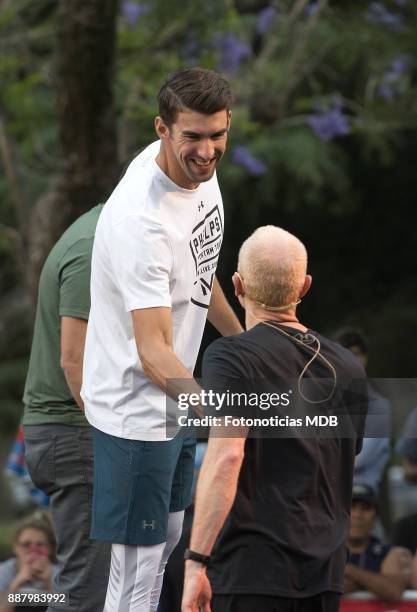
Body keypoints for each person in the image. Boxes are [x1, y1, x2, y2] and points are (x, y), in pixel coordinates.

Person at [81, 67, 243, 611]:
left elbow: (200, 266)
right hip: (136, 411)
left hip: (176, 400)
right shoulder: (140, 222)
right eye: (192, 137)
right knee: (136, 573)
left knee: (170, 543)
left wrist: (245, 343)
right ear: (161, 129)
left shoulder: (202, 174)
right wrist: (218, 409)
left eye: (217, 135)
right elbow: (152, 353)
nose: (206, 150)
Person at [182, 225, 368, 612]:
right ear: (304, 287)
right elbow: (344, 461)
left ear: (237, 285)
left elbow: (226, 457)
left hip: (253, 569)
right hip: (326, 572)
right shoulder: (348, 367)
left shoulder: (231, 356)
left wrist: (196, 560)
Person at [22, 204, 111, 612]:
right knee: (82, 591)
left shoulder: (108, 234)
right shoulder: (94, 244)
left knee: (83, 583)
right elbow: (72, 363)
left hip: (67, 432)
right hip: (74, 432)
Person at [333, 328, 391, 496]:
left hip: (361, 499)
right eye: (341, 352)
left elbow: (358, 460)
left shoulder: (379, 407)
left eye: (355, 353)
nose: (349, 358)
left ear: (365, 358)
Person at [344, 483, 411, 600]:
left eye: (365, 508)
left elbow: (392, 590)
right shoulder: (324, 551)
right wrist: (374, 583)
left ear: (376, 516)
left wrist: (347, 570)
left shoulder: (390, 553)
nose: (358, 515)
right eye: (351, 507)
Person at [0, 513, 58, 612]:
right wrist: (16, 584)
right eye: (26, 545)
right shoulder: (4, 571)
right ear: (15, 547)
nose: (33, 551)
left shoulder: (59, 572)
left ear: (51, 548)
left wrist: (49, 583)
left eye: (40, 544)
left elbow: (63, 609)